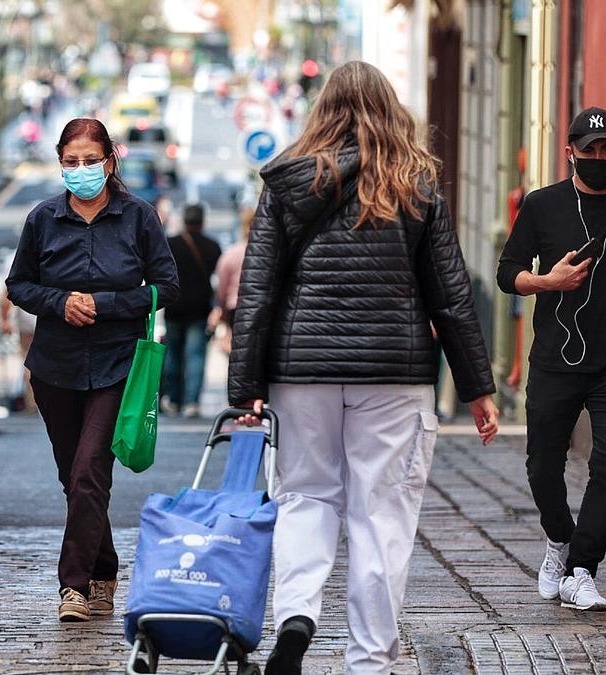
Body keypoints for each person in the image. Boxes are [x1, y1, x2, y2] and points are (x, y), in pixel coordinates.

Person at [227, 61, 499, 674]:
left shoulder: (287, 181)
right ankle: (370, 659)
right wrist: (478, 386)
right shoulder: (417, 182)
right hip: (393, 377)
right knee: (382, 516)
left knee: (304, 498)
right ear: (390, 108)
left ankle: (295, 619)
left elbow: (258, 290)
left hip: (301, 374)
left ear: (322, 110)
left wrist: (245, 387)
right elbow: (450, 295)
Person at [6, 118, 178, 623]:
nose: (81, 170)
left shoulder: (138, 217)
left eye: (90, 160)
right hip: (55, 368)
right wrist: (60, 303)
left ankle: (74, 587)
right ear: (60, 162)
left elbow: (167, 287)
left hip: (117, 366)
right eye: (70, 161)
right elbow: (19, 285)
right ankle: (104, 567)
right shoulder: (42, 219)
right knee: (74, 478)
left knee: (88, 473)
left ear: (109, 161)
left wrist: (107, 304)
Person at [497, 106, 606, 612]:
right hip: (553, 358)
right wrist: (549, 282)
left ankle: (583, 568)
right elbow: (508, 272)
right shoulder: (543, 206)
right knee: (543, 467)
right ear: (571, 152)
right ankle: (559, 541)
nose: (600, 158)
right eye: (590, 151)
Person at [161, 203, 221, 417]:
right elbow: (218, 280)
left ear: (184, 220)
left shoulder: (171, 244)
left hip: (173, 307)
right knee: (196, 355)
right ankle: (192, 402)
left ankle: (173, 399)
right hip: (200, 308)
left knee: (172, 354)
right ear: (203, 221)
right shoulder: (212, 246)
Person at [210, 208, 252, 356]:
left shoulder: (232, 253)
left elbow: (222, 285)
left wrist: (221, 308)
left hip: (235, 308)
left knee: (237, 352)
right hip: (261, 307)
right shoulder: (272, 252)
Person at [0, 290, 37, 412]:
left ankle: (33, 403)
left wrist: (5, 319)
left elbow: (8, 291)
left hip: (28, 319)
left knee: (29, 362)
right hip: (46, 317)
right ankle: (34, 402)